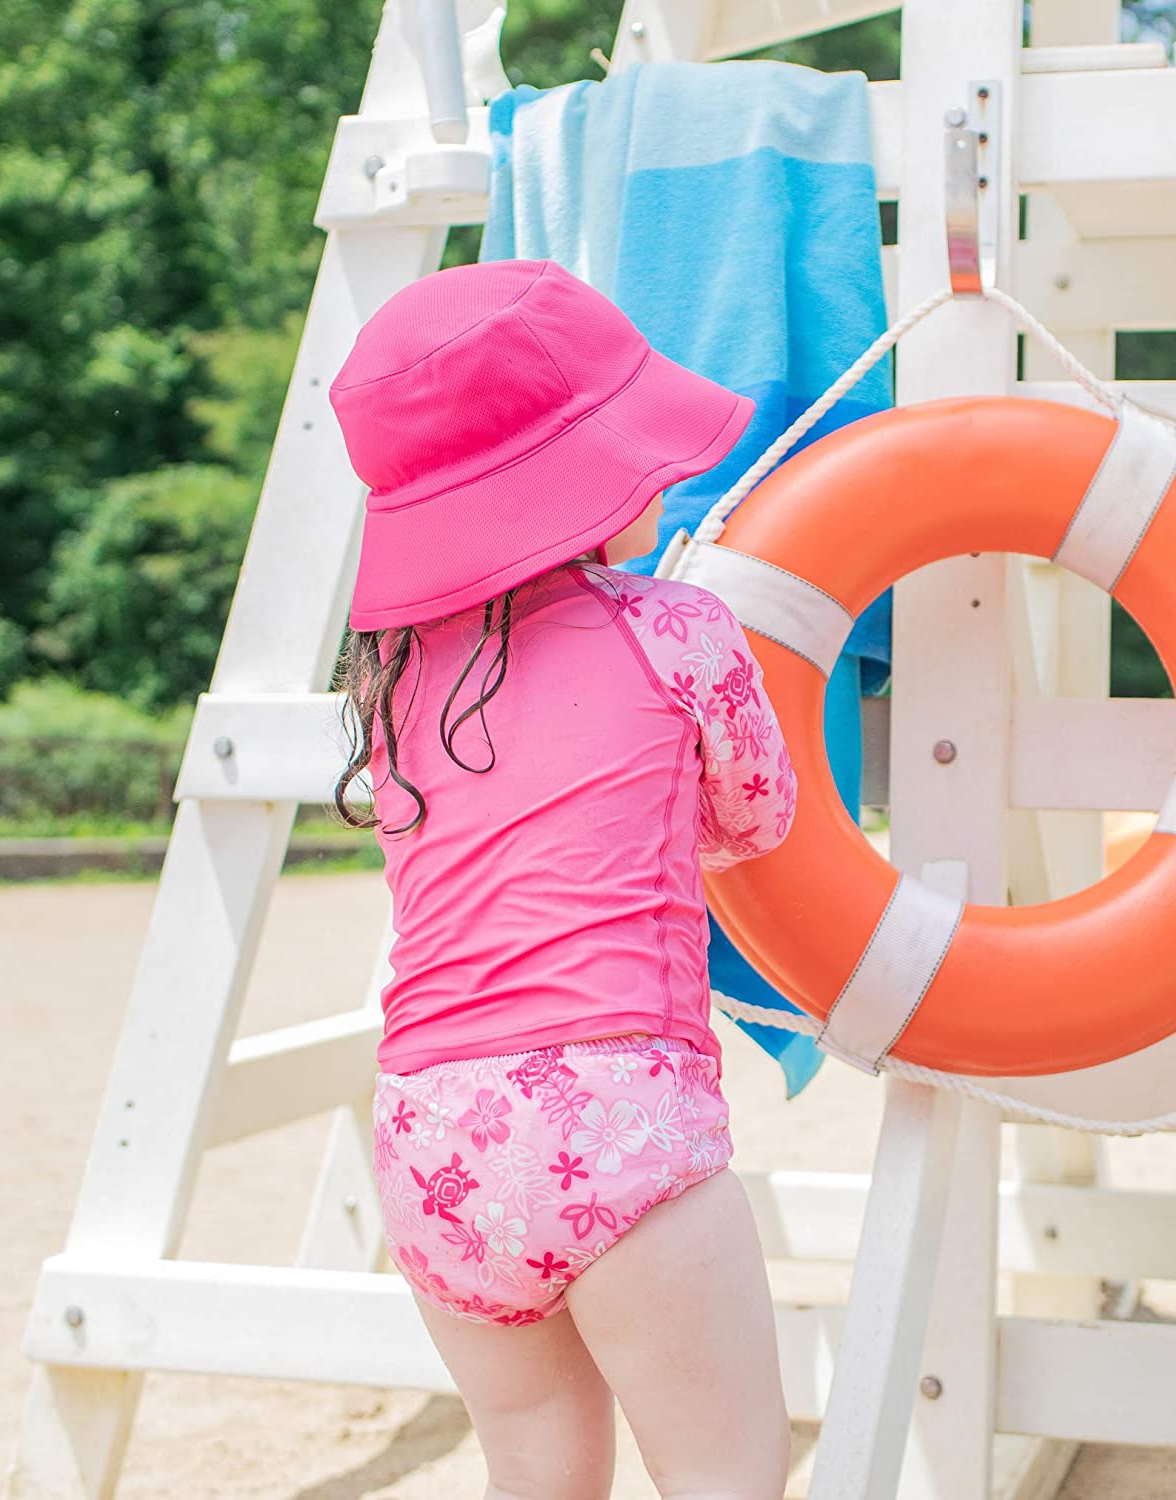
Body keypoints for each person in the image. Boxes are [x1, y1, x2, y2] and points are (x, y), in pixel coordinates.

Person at [329, 258, 797, 1500]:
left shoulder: (389, 687)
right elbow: (758, 820)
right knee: (727, 1479)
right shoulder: (679, 627)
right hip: (614, 1117)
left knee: (536, 1474)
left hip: (432, 1138)